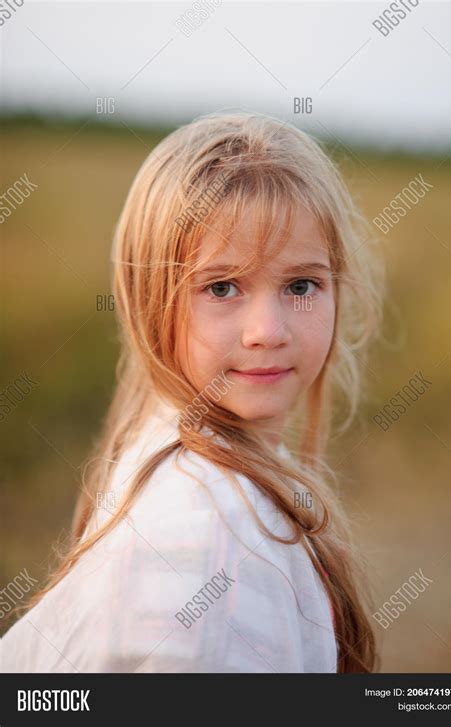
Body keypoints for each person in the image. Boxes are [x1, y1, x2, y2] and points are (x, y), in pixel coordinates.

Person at [1, 112, 383, 673]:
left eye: (301, 285)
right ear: (150, 302)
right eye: (221, 287)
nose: (268, 331)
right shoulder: (215, 545)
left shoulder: (201, 470)